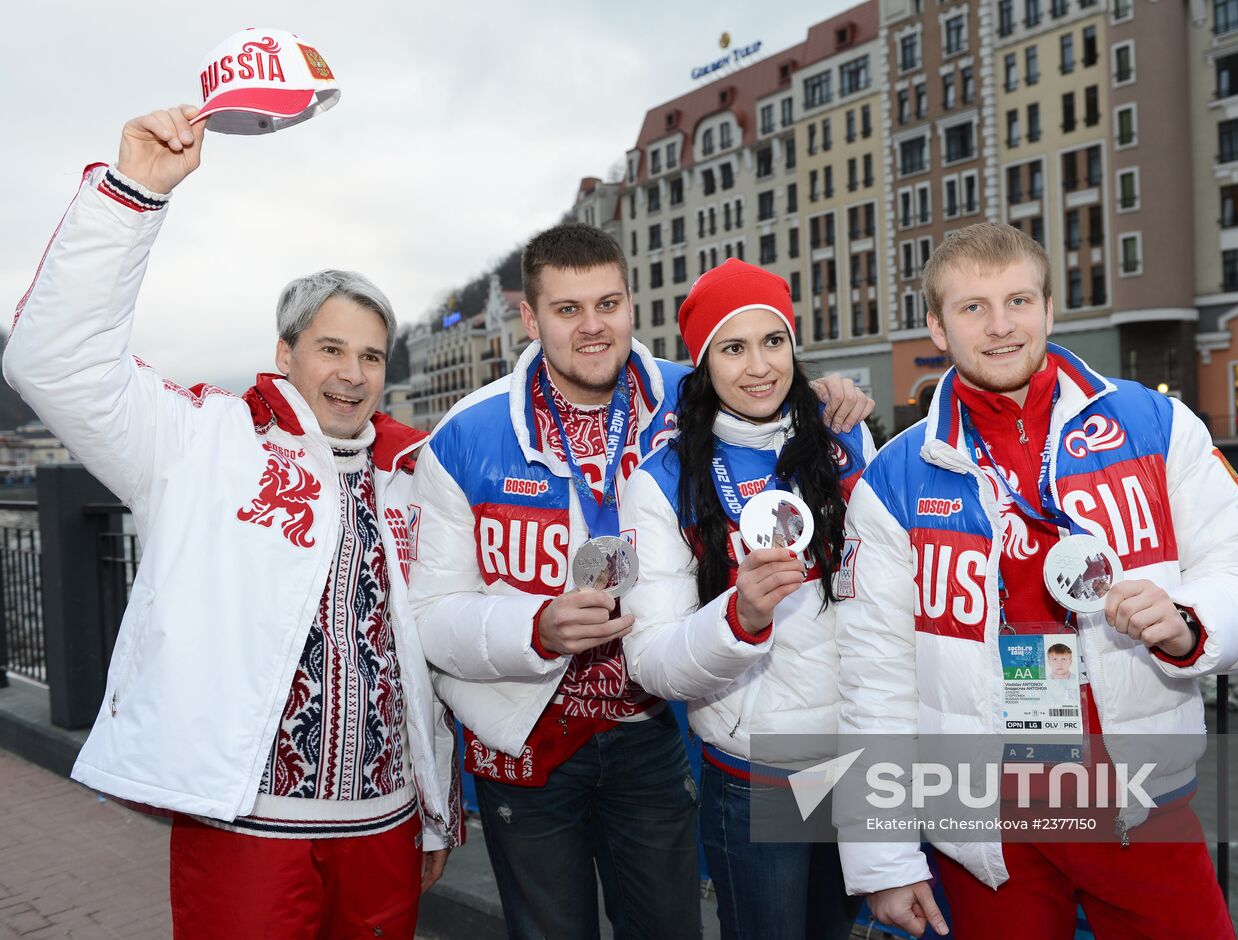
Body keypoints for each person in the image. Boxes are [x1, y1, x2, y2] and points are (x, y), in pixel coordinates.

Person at [3, 106, 460, 938]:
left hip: (384, 829)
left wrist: (433, 806)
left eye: (370, 354)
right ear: (285, 353)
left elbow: (417, 650)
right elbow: (54, 361)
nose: (353, 374)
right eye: (331, 349)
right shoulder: (203, 441)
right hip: (246, 828)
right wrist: (133, 194)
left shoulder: (410, 475)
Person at [408, 228, 873, 939]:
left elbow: (760, 379)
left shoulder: (683, 401)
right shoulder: (465, 437)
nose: (593, 326)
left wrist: (828, 393)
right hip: (524, 734)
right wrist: (532, 629)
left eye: (609, 303)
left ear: (632, 307)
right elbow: (429, 616)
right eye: (567, 310)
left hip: (648, 729)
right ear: (530, 321)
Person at [835, 222, 1238, 939]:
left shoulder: (1155, 423)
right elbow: (875, 679)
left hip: (1137, 801)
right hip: (985, 820)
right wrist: (884, 857)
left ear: (1049, 308)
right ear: (936, 325)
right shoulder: (893, 479)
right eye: (972, 307)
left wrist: (1191, 621)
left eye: (1018, 300)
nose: (999, 326)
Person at [618, 260, 872, 940]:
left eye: (774, 341)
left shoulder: (845, 438)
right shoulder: (663, 480)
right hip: (759, 772)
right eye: (733, 347)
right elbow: (650, 664)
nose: (759, 366)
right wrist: (740, 618)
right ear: (703, 363)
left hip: (855, 760)